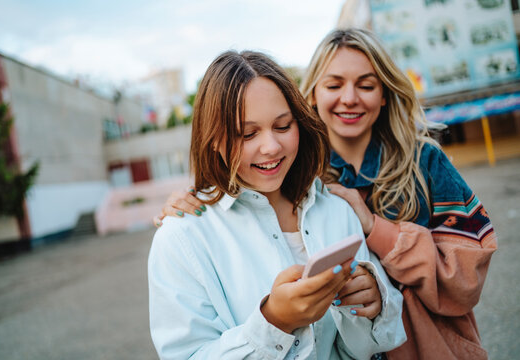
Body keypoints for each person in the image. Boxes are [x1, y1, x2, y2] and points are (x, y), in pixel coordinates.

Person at [154, 29, 497, 360]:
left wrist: (374, 232)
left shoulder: (423, 162)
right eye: (334, 84)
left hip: (431, 348)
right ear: (313, 94)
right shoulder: (300, 176)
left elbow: (464, 279)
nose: (349, 98)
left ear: (385, 93)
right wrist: (196, 197)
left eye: (366, 85)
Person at [148, 50, 406, 360]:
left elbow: (368, 347)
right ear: (213, 138)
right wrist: (275, 322)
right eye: (247, 133)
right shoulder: (180, 237)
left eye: (283, 126)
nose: (271, 147)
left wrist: (373, 301)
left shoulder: (335, 209)